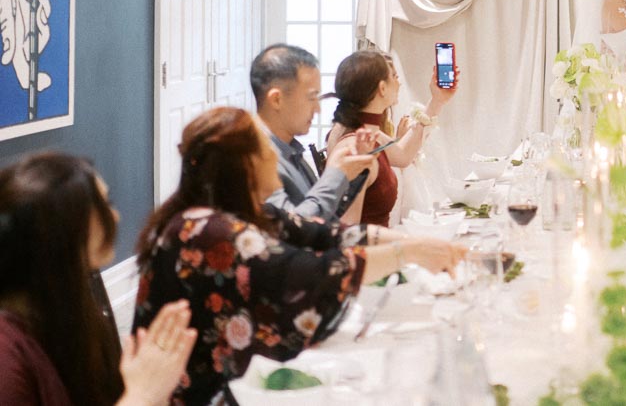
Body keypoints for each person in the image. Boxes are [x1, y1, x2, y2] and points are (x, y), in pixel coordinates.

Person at [135, 106, 465, 406]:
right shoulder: (204, 230)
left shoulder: (240, 213)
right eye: (266, 150)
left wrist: (416, 243)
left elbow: (327, 233)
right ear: (248, 165)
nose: (274, 158)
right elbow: (305, 274)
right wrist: (407, 252)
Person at [0, 152, 196, 406]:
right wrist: (142, 396)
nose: (115, 217)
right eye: (105, 205)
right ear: (66, 229)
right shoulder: (7, 353)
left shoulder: (77, 297)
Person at [325, 49, 456, 227]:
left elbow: (403, 155)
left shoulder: (369, 134)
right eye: (394, 76)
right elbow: (347, 231)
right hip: (372, 250)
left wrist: (437, 101)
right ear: (382, 88)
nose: (399, 83)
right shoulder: (355, 147)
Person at [251, 43, 378, 220]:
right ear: (277, 99)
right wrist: (336, 175)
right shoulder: (255, 156)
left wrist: (354, 170)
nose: (317, 108)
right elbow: (292, 228)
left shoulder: (291, 150)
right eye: (311, 97)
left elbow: (326, 215)